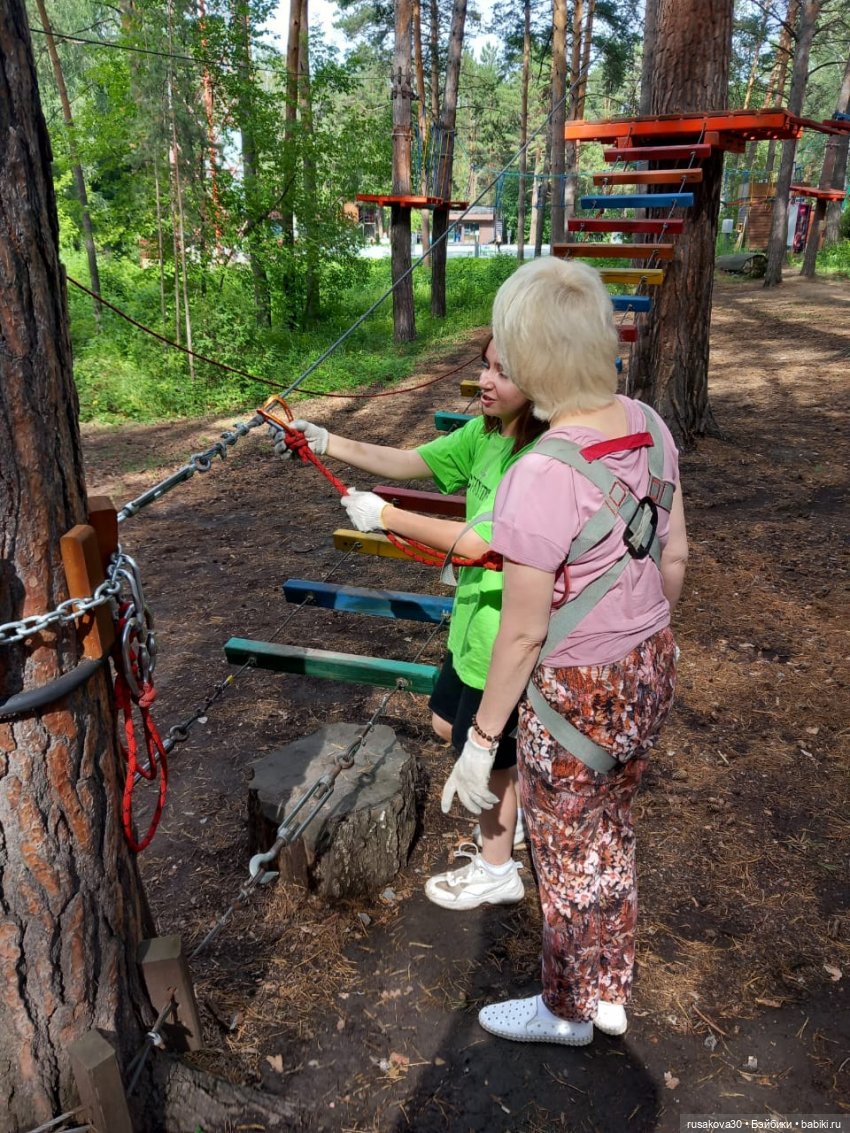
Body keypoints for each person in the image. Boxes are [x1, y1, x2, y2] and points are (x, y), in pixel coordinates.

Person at [440, 257, 688, 1045]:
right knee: (610, 830)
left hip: (574, 696)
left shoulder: (541, 471)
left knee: (561, 850)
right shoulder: (650, 424)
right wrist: (637, 635)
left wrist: (481, 744)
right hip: (650, 670)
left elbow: (520, 631)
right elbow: (673, 557)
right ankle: (609, 985)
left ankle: (565, 1010)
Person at [274, 336, 547, 909]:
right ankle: (518, 806)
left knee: (489, 752)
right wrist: (329, 441)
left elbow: (475, 545)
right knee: (448, 725)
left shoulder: (537, 462)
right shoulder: (488, 433)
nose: (486, 382)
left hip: (504, 629)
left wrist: (387, 516)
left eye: (505, 370)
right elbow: (410, 462)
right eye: (485, 367)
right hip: (472, 619)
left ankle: (498, 864)